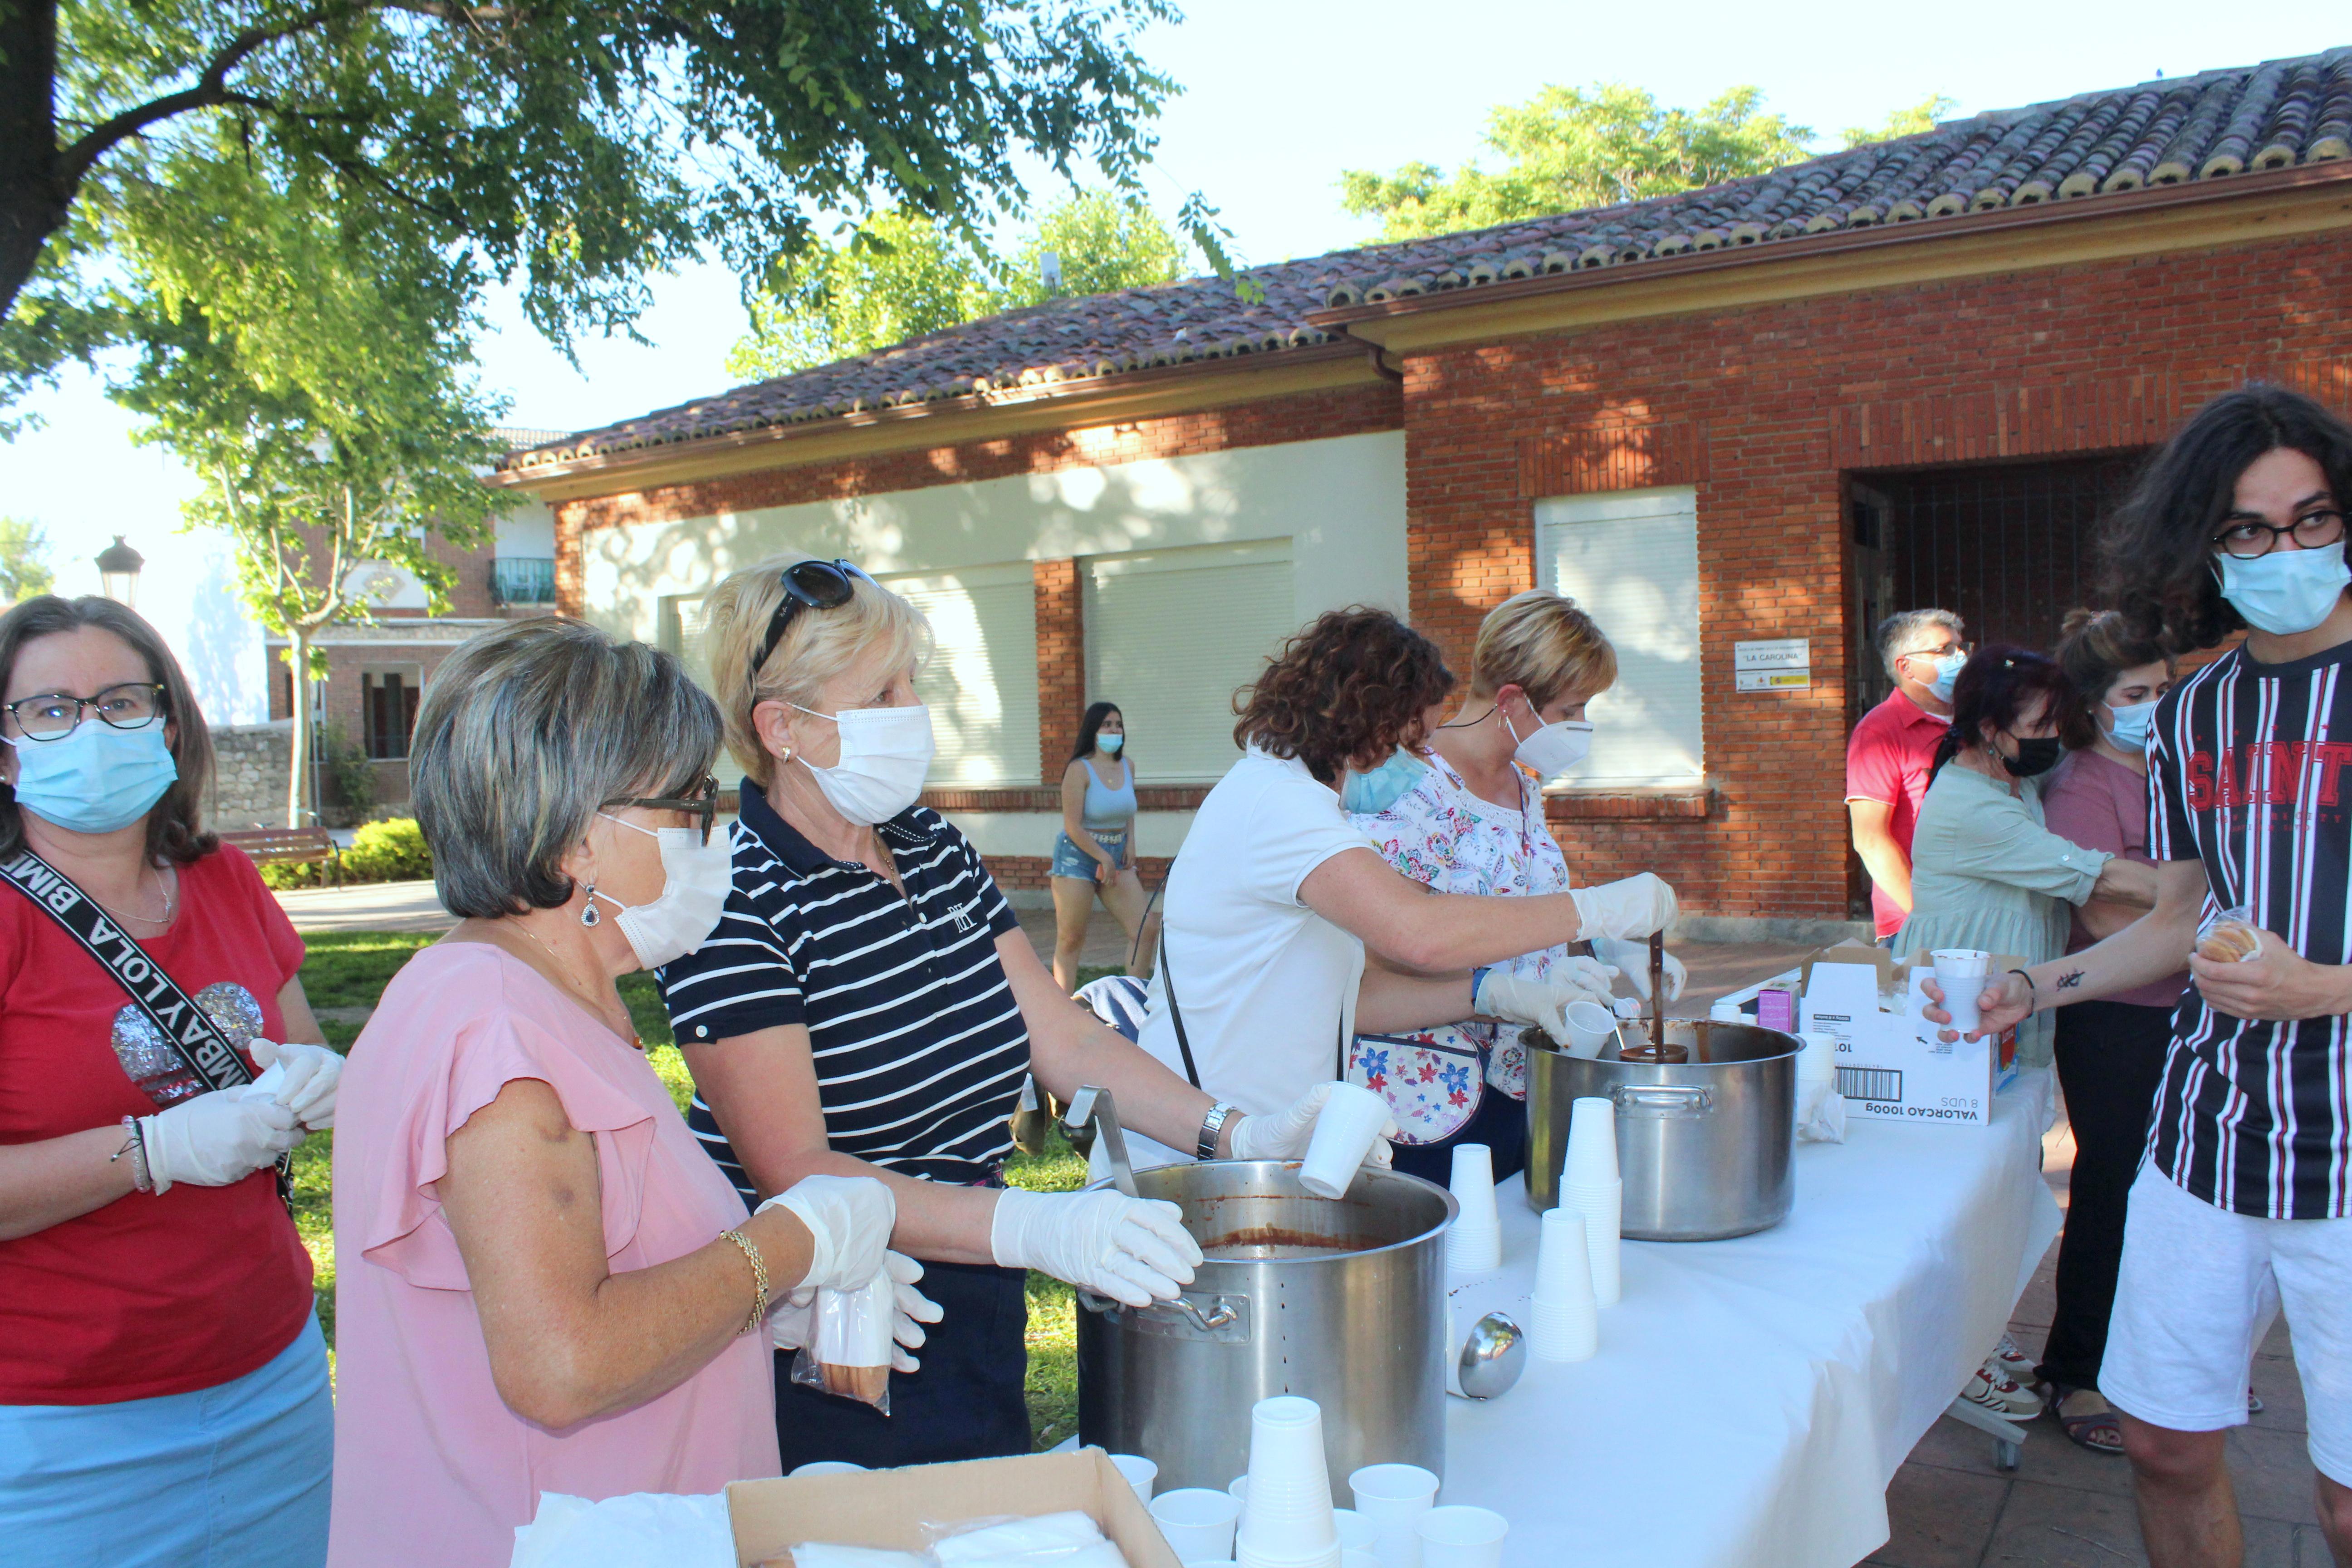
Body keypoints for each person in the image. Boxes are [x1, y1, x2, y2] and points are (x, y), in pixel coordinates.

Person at [656, 556, 1387, 1471]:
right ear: (785, 728)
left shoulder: (927, 845)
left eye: (911, 681)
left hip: (974, 1298)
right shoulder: (734, 896)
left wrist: (1237, 1133)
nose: (915, 710)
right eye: (884, 691)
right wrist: (1037, 1230)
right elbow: (798, 1169)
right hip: (835, 1326)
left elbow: (1064, 1035)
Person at [328, 618, 926, 1567]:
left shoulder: (546, 999)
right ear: (576, 842)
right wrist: (787, 1245)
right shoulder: (500, 1040)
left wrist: (755, 1309)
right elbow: (562, 1365)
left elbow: (595, 1271)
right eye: (689, 805)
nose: (713, 835)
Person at [1934, 387, 2352, 1568]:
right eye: (2251, 531)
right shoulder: (2199, 713)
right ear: (2204, 548)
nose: (2288, 552)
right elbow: (2180, 913)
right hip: (2209, 1138)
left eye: (2314, 521)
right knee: (2167, 1446)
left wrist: (2322, 989)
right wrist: (2040, 987)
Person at [0, 596, 340, 1568]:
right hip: (54, 1436)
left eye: (119, 701)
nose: (93, 728)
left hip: (269, 1380)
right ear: (3, 748)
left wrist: (318, 1085)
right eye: (50, 710)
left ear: (169, 720)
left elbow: (295, 1045)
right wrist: (150, 1152)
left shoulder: (226, 877)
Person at [1132, 606, 1678, 1170]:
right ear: (1367, 726)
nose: (1422, 763)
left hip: (1257, 1138)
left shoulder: (1306, 803)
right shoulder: (1281, 808)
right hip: (1199, 1140)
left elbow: (1353, 994)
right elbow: (1417, 934)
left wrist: (1494, 995)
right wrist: (1595, 911)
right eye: (1414, 742)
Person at [1345, 590, 1669, 1183]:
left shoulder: (1524, 786)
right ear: (1514, 701)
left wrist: (1606, 950)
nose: (1581, 726)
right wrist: (1502, 989)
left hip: (1518, 1080)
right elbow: (1367, 959)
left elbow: (1523, 909)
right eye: (1572, 709)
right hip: (1423, 1098)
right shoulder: (1407, 788)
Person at [2034, 609, 2185, 1455]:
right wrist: (2183, 896)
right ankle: (2076, 1368)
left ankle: (2159, 1369)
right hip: (2114, 1019)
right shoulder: (2083, 787)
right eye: (2136, 693)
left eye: (2164, 688)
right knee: (2110, 1190)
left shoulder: (2180, 770)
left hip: (2191, 1010)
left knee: (2180, 1200)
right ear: (2092, 704)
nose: (2154, 705)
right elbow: (2097, 911)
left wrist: (2155, 891)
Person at [1895, 646, 2158, 1070]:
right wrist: (2201, 900)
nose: (2053, 736)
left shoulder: (2017, 777)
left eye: (2057, 721)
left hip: (2002, 995)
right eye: (2040, 724)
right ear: (1989, 729)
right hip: (1961, 1005)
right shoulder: (1972, 808)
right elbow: (2101, 878)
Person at [1848, 609, 1970, 943]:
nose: (1959, 658)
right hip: (1916, 925)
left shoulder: (1977, 721)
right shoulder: (1879, 731)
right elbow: (1871, 839)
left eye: (1961, 648)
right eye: (1944, 650)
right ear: (1906, 666)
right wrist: (1926, 918)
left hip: (1979, 911)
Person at [1049, 701, 1158, 991]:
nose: (1114, 730)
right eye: (1107, 725)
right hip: (1078, 856)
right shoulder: (1079, 769)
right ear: (1093, 730)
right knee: (1071, 938)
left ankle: (1135, 996)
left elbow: (1126, 810)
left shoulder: (1128, 766)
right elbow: (1072, 826)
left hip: (1117, 853)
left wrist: (1130, 843)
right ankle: (1062, 1009)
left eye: (1118, 725)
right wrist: (1101, 857)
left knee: (1146, 928)